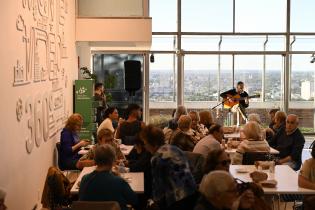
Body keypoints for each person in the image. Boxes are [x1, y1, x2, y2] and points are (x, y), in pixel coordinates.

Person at [140, 125, 197, 210]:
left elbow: (158, 189)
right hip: (192, 195)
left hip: (176, 201)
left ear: (154, 144)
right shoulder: (175, 149)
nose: (145, 147)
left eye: (145, 143)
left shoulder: (157, 158)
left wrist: (151, 203)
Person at [79, 144, 137, 210]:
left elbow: (81, 200)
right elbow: (134, 200)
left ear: (95, 160)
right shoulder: (119, 181)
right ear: (113, 160)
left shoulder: (85, 179)